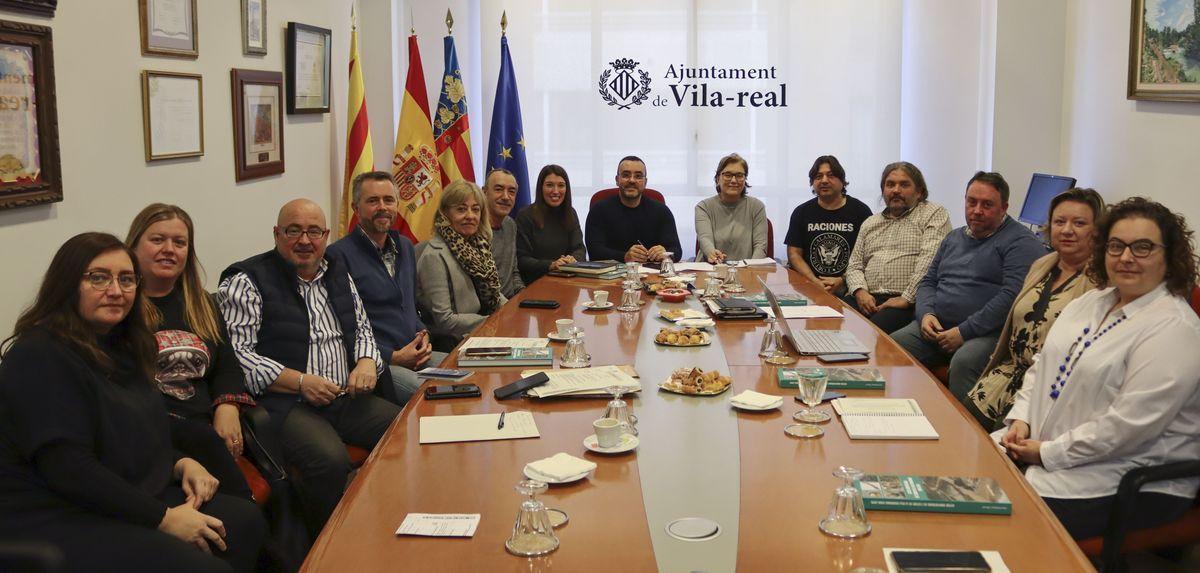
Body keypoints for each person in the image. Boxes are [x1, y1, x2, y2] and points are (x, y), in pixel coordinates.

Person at [0, 232, 265, 572]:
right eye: (98, 278)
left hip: (111, 490)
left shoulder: (121, 345)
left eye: (126, 279)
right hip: (53, 511)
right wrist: (164, 518)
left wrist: (181, 462)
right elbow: (67, 468)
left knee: (243, 521)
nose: (115, 290)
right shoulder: (39, 354)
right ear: (67, 284)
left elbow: (132, 431)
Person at [996, 197, 1200, 540]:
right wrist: (1022, 419)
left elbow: (1128, 428)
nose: (1126, 257)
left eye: (1143, 247)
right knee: (970, 475)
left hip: (1133, 477)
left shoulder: (1174, 329)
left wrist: (1047, 452)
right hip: (1050, 448)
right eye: (1116, 246)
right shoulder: (1091, 302)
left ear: (1170, 256)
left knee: (1008, 519)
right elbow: (1042, 367)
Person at [219, 199, 399, 535]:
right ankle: (325, 543)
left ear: (326, 235)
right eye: (294, 231)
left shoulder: (336, 270)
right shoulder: (247, 280)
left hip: (343, 395)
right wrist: (300, 382)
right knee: (329, 460)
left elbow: (362, 329)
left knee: (403, 429)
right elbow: (237, 355)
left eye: (314, 231)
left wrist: (365, 362)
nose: (305, 240)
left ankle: (385, 521)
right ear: (276, 234)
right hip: (285, 404)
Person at [126, 204, 255, 502]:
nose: (169, 249)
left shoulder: (202, 304)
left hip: (205, 424)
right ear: (132, 247)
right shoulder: (122, 307)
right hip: (154, 432)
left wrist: (228, 407)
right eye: (157, 240)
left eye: (179, 243)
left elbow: (227, 366)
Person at [891, 171, 1046, 397]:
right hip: (936, 327)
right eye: (971, 202)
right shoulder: (954, 237)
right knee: (893, 347)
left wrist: (964, 332)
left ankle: (968, 431)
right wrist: (925, 314)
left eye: (987, 205)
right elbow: (929, 281)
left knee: (965, 362)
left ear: (1004, 207)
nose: (976, 211)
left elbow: (1011, 296)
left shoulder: (1021, 242)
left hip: (986, 334)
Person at [964, 189, 1105, 430]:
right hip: (1005, 376)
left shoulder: (1101, 281)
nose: (1067, 230)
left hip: (1047, 388)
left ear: (1097, 230)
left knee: (996, 452)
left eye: (1079, 223)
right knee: (961, 429)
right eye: (1059, 222)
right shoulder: (1042, 264)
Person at [328, 172, 446, 405]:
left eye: (388, 200)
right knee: (437, 399)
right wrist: (393, 356)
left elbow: (409, 305)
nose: (382, 207)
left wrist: (423, 335)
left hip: (416, 353)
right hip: (380, 363)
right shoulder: (337, 256)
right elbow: (342, 328)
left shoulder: (404, 245)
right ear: (355, 208)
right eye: (373, 201)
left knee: (472, 375)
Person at [842, 162, 951, 333]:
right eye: (890, 184)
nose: (896, 190)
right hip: (866, 297)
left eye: (904, 184)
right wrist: (860, 291)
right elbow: (854, 265)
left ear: (920, 191)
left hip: (905, 302)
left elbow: (929, 262)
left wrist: (906, 298)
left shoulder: (933, 213)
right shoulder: (870, 223)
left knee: (868, 333)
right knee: (831, 321)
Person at [417, 180, 508, 346]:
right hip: (458, 341)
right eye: (461, 209)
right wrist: (492, 321)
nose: (470, 216)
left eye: (475, 209)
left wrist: (512, 312)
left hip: (484, 332)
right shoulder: (434, 256)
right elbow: (444, 320)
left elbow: (494, 294)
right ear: (445, 213)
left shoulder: (479, 246)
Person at [784, 155, 872, 291]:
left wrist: (843, 280)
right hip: (808, 284)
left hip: (850, 287)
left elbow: (869, 256)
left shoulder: (861, 211)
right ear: (812, 182)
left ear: (842, 181)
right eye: (818, 177)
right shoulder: (801, 212)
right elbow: (794, 254)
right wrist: (814, 281)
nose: (824, 180)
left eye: (830, 175)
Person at [585, 156, 682, 263]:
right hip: (611, 276)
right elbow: (594, 252)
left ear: (645, 182)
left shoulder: (661, 211)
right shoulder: (599, 210)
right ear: (617, 180)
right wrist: (624, 257)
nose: (632, 180)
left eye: (638, 176)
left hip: (652, 276)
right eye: (626, 175)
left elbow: (677, 251)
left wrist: (665, 253)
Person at [515, 164, 586, 284]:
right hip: (536, 283)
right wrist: (551, 264)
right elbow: (521, 259)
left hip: (568, 281)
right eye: (549, 185)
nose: (556, 191)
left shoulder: (571, 213)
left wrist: (573, 259)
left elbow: (579, 248)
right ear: (540, 188)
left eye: (561, 185)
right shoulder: (525, 215)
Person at [695, 153, 768, 263]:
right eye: (728, 175)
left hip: (747, 271)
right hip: (711, 270)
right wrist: (712, 254)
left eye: (739, 175)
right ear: (718, 178)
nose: (734, 180)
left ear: (745, 179)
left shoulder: (757, 207)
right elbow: (705, 239)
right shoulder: (703, 207)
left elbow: (760, 246)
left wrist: (751, 269)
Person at [482, 168, 525, 297]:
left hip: (511, 304)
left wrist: (524, 295)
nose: (506, 197)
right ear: (484, 192)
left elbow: (513, 272)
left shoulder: (510, 225)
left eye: (511, 191)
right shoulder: (472, 230)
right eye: (499, 189)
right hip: (487, 310)